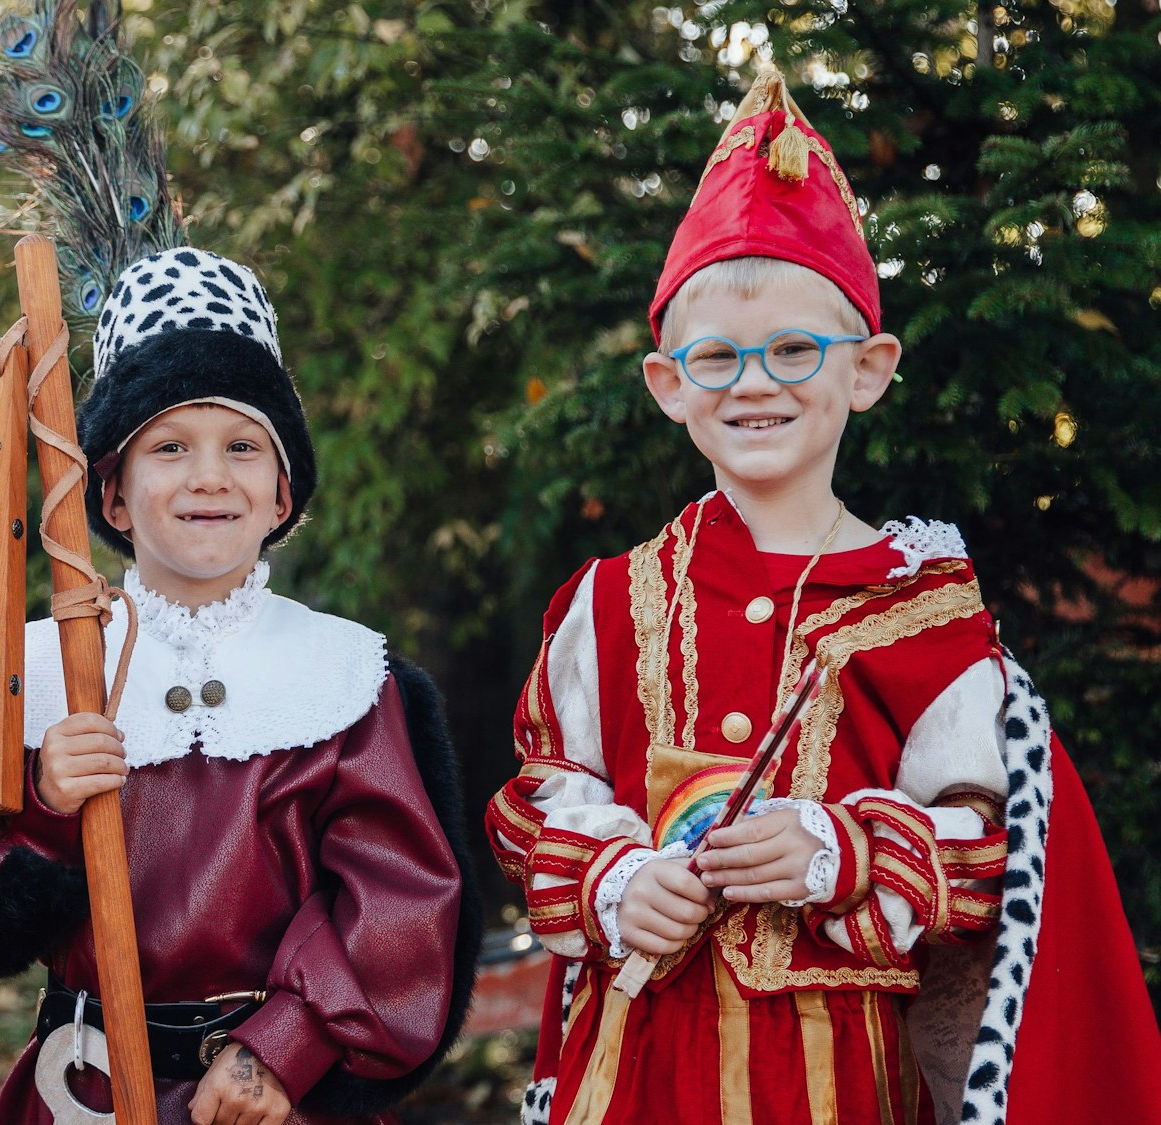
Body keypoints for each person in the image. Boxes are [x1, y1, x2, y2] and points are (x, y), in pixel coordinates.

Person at [485, 69, 1161, 1125]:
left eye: (796, 349)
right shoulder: (609, 602)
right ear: (667, 386)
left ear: (869, 368)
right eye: (715, 358)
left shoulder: (926, 620)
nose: (754, 383)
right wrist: (616, 877)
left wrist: (837, 853)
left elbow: (988, 855)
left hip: (840, 1084)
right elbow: (536, 800)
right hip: (632, 1076)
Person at [0, 244, 482, 1124]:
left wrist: (282, 1048)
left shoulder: (351, 679)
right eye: (169, 445)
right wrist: (48, 801)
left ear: (282, 493)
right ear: (115, 497)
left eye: (243, 446)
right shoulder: (38, 671)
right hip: (83, 1093)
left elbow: (402, 909)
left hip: (269, 1100)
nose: (209, 473)